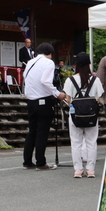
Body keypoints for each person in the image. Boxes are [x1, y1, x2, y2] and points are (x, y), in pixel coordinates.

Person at [22, 42, 68, 171]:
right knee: (42, 132)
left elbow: (25, 77)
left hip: (31, 100)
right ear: (50, 53)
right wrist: (58, 93)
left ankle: (27, 161)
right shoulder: (48, 62)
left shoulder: (30, 62)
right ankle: (41, 162)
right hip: (43, 100)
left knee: (32, 131)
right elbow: (45, 81)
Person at [63, 52, 103, 178]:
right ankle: (90, 170)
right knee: (91, 142)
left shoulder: (70, 81)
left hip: (75, 116)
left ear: (76, 66)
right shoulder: (96, 80)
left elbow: (68, 100)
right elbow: (98, 98)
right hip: (91, 116)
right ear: (89, 64)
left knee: (76, 142)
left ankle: (78, 170)